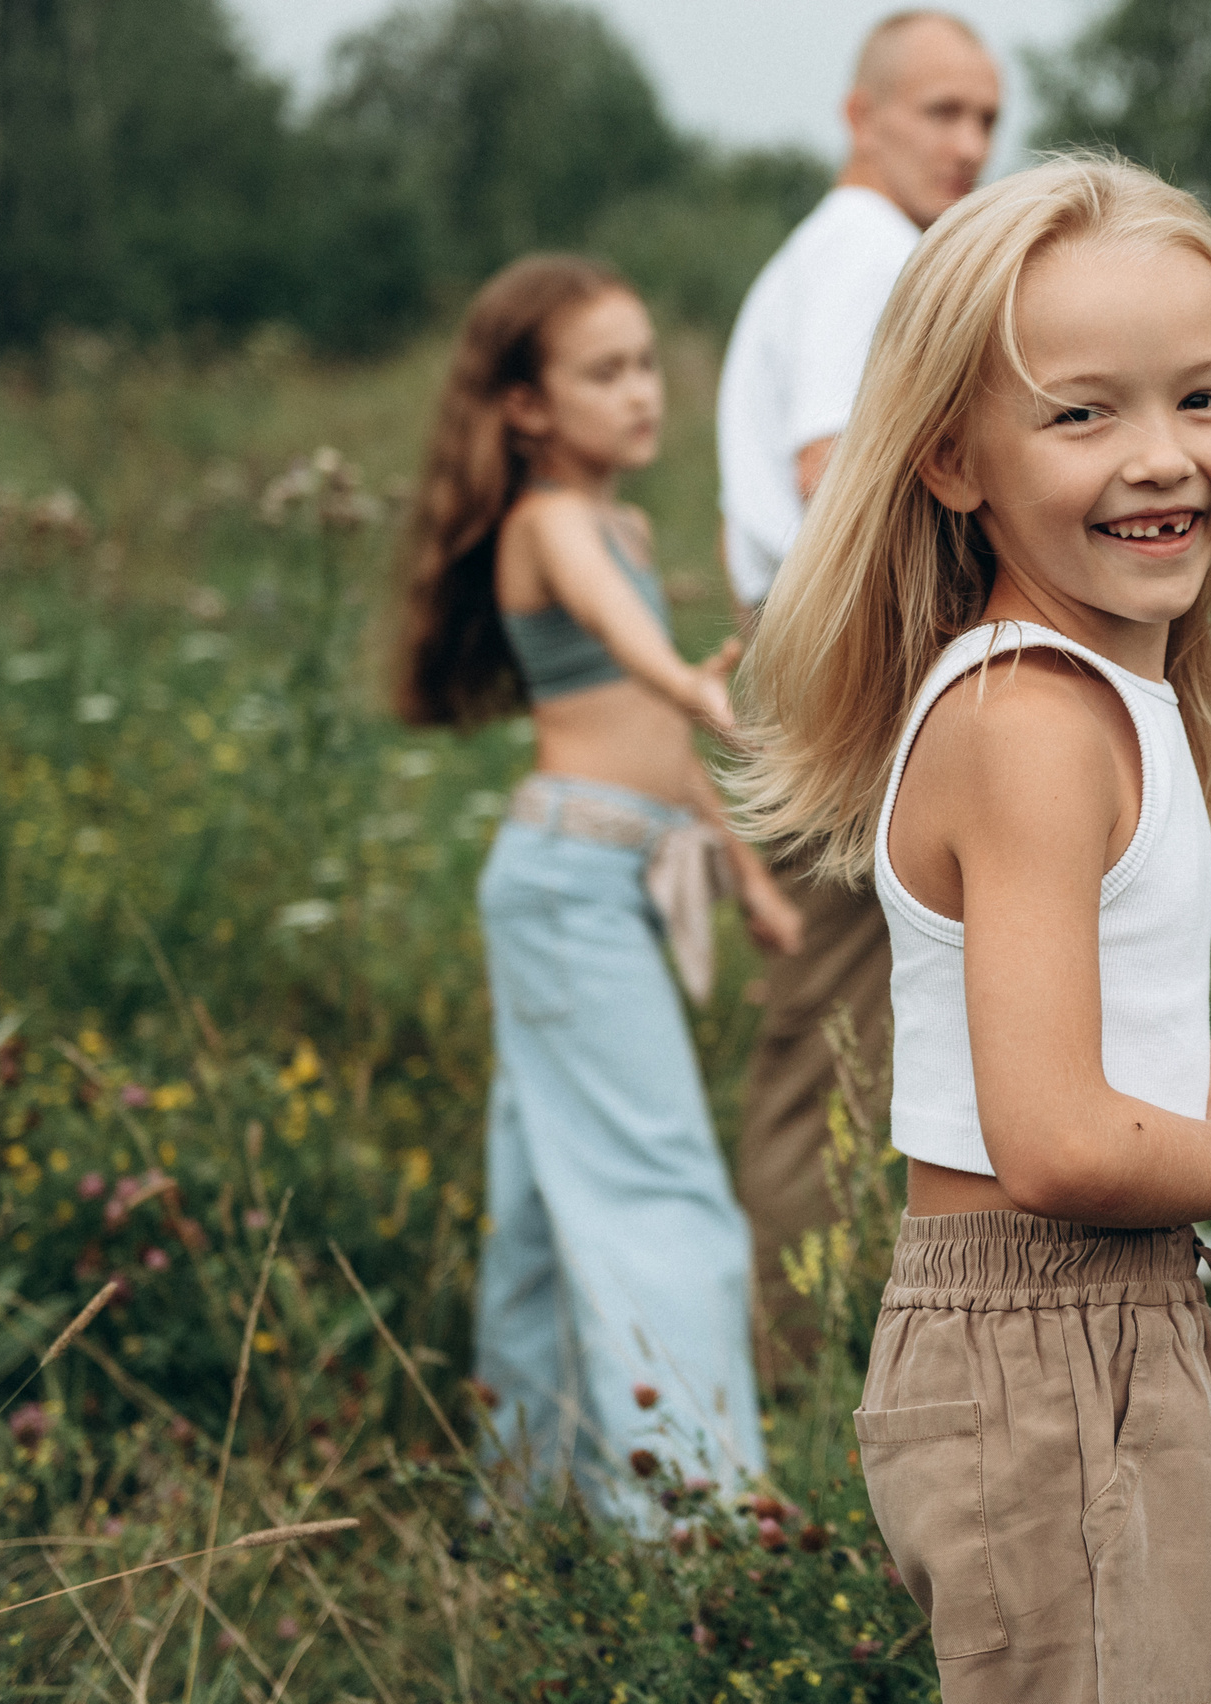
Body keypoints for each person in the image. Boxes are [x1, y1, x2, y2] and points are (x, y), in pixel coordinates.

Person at [731, 157, 1211, 1703]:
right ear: (951, 461)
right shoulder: (1026, 719)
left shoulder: (1116, 690)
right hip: (1039, 1360)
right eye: (1081, 414)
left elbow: (1061, 1026)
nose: (1160, 458)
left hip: (1141, 1331)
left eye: (1202, 399)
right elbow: (1047, 1138)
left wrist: (1197, 1070)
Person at [394, 255, 804, 1531]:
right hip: (569, 880)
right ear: (525, 406)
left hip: (603, 869)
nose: (642, 393)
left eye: (645, 365)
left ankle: (525, 1503)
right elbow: (636, 663)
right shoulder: (548, 522)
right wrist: (687, 677)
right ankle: (696, 1524)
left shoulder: (621, 526)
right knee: (668, 1191)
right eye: (605, 371)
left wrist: (743, 872)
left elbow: (653, 734)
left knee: (537, 1203)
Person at [714, 10, 1002, 1375]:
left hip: (823, 643)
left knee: (859, 1020)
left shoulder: (849, 254)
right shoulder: (867, 260)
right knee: (836, 1033)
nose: (971, 145)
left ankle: (829, 1346)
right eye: (942, 112)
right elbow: (836, 479)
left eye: (988, 120)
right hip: (849, 646)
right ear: (859, 115)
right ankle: (796, 1365)